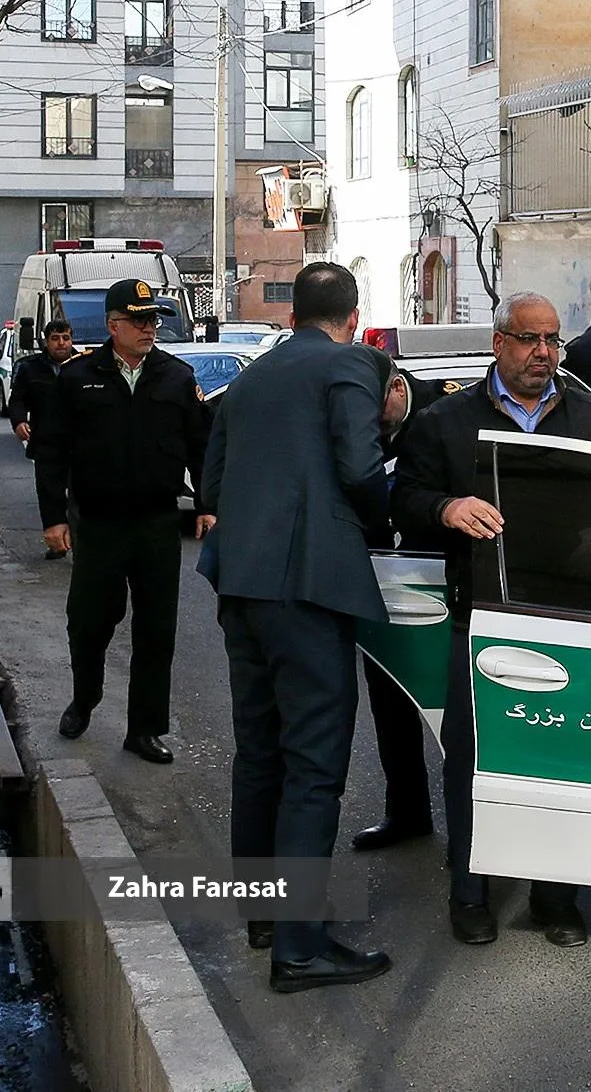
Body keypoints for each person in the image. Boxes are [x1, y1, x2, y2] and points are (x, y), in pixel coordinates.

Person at [392, 292, 591, 950]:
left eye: (552, 340)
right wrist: (446, 508)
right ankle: (471, 893)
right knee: (472, 760)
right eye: (529, 339)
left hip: (570, 619)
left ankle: (556, 897)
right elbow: (403, 499)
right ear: (499, 343)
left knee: (561, 759)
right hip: (482, 619)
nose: (543, 353)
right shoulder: (445, 420)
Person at [197, 262, 394, 993]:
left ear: (291, 316)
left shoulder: (251, 377)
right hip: (306, 586)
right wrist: (384, 520)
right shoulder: (350, 364)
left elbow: (213, 483)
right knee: (313, 764)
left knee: (260, 754)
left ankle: (264, 917)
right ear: (353, 317)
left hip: (241, 583)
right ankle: (301, 947)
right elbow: (361, 469)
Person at [32, 280, 211, 764]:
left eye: (153, 319)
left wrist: (208, 503)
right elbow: (50, 452)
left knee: (156, 630)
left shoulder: (176, 377)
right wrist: (53, 518)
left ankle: (144, 729)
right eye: (139, 320)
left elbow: (201, 447)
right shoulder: (77, 378)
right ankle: (84, 698)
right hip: (98, 523)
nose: (150, 328)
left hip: (157, 523)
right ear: (113, 325)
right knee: (89, 623)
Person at [346, 356, 461, 854]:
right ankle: (407, 812)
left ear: (397, 389)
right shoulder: (358, 420)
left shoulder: (443, 414)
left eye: (375, 414)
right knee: (390, 703)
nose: (368, 425)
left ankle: (468, 830)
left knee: (453, 711)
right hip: (382, 584)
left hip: (441, 584)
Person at [11, 319, 80, 558]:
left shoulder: (84, 367)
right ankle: (56, 543)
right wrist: (19, 421)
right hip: (46, 444)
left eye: (66, 338)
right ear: (46, 341)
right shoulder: (30, 368)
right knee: (50, 495)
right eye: (55, 339)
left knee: (82, 496)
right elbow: (17, 400)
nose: (61, 343)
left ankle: (80, 542)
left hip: (79, 445)